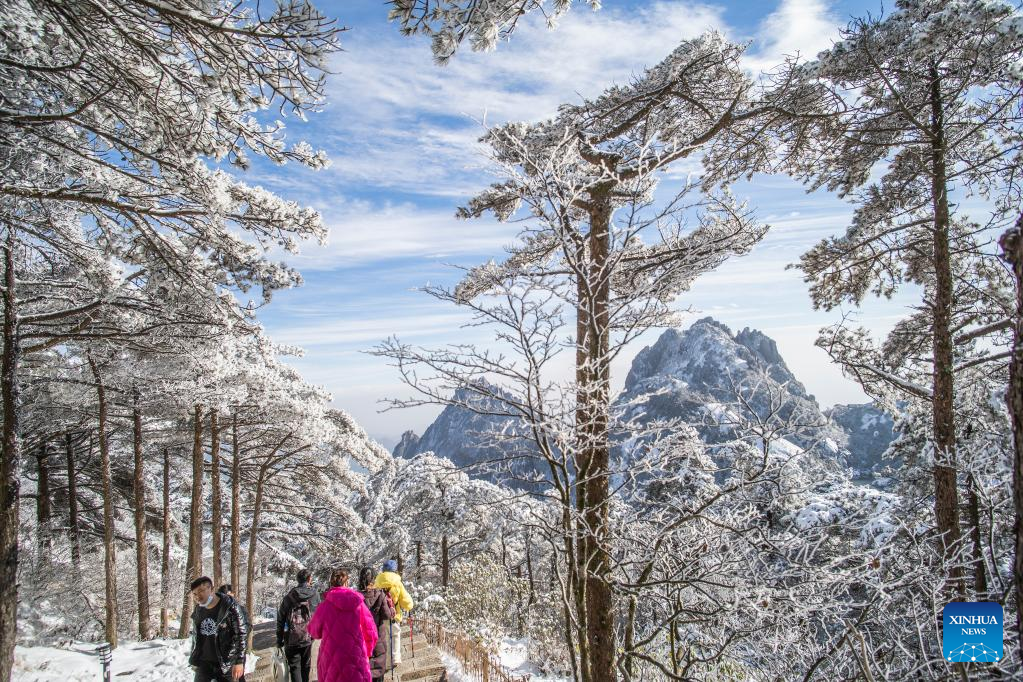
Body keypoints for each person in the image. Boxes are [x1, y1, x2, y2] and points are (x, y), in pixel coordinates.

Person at [308, 568, 378, 682]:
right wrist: (367, 652)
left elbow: (314, 632)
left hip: (331, 659)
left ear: (331, 584)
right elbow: (371, 631)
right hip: (356, 656)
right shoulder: (358, 603)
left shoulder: (324, 606)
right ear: (346, 583)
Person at [187, 576, 248, 682]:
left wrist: (239, 661)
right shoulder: (198, 610)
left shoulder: (229, 606)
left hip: (225, 662)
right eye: (195, 594)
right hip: (204, 662)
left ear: (211, 588)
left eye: (201, 591)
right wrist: (195, 656)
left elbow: (241, 633)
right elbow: (196, 637)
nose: (198, 597)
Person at [276, 568, 321, 682]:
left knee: (295, 667)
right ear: (309, 579)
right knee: (306, 666)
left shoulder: (289, 596)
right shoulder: (315, 595)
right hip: (308, 636)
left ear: (297, 580)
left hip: (291, 637)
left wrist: (279, 638)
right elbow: (319, 615)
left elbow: (281, 618)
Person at [372, 560, 413, 668]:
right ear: (394, 570)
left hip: (381, 615)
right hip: (393, 615)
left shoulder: (377, 582)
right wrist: (409, 606)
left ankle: (385, 658)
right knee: (395, 634)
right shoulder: (397, 583)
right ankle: (395, 657)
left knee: (383, 637)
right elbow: (405, 600)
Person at [358, 567, 396, 682]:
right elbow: (387, 615)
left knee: (364, 668)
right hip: (378, 635)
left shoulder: (356, 596)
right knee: (379, 668)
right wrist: (392, 610)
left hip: (362, 637)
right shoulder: (380, 594)